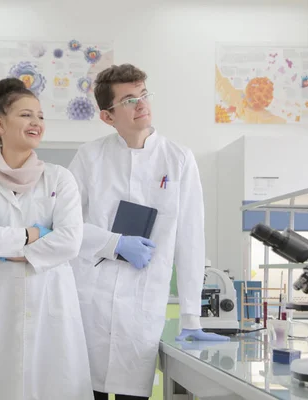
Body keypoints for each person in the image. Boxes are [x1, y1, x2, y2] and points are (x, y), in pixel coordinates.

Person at [68, 64, 228, 400]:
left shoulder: (179, 159)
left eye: (143, 95)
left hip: (140, 310)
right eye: (128, 99)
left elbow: (190, 240)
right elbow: (64, 226)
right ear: (108, 117)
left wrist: (191, 317)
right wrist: (113, 243)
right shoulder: (90, 157)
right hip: (89, 306)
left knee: (132, 393)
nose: (141, 104)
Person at [0, 77, 94, 400]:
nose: (36, 122)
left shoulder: (61, 178)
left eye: (41, 116)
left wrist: (4, 246)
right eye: (26, 115)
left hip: (50, 313)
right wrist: (32, 236)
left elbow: (70, 241)